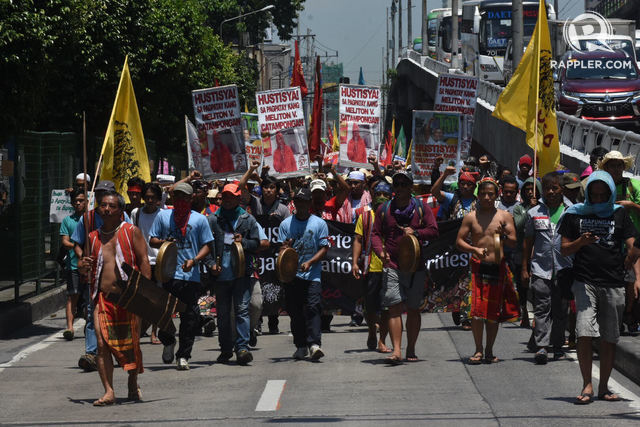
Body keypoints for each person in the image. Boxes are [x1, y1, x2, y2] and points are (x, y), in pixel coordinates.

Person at [559, 171, 640, 404]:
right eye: (593, 195)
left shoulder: (619, 214)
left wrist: (633, 267)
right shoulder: (573, 214)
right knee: (584, 332)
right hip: (585, 280)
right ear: (587, 194)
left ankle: (604, 386)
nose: (597, 199)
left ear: (609, 194)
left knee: (609, 337)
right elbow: (564, 249)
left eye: (602, 195)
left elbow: (632, 244)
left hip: (613, 282)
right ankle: (587, 384)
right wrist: (580, 242)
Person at [78, 191, 151, 406]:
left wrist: (144, 291)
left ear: (121, 210)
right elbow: (86, 270)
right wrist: (83, 267)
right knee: (102, 344)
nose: (107, 209)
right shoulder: (92, 237)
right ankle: (109, 391)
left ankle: (132, 380)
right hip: (102, 298)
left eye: (112, 206)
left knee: (131, 344)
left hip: (128, 297)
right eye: (103, 206)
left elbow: (143, 261)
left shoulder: (131, 232)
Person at [371, 171, 439, 364]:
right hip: (392, 264)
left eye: (403, 184)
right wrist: (380, 252)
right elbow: (375, 234)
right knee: (393, 307)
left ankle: (411, 348)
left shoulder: (420, 208)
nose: (400, 188)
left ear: (411, 187)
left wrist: (416, 232)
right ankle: (397, 350)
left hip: (415, 266)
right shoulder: (384, 209)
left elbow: (434, 230)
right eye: (397, 185)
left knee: (413, 308)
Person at [149, 182, 213, 371]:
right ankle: (168, 340)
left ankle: (183, 355)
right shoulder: (163, 216)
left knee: (190, 317)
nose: (180, 200)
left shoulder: (199, 220)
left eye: (184, 197)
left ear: (191, 198)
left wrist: (194, 260)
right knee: (163, 313)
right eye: (177, 197)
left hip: (190, 276)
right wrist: (163, 243)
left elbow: (208, 245)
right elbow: (152, 239)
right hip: (167, 273)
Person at [455, 177, 518, 364]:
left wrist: (503, 236)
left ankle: (489, 349)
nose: (487, 197)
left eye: (491, 194)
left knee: (492, 314)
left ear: (496, 195)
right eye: (483, 194)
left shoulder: (504, 216)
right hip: (477, 267)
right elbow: (459, 241)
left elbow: (514, 242)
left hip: (497, 266)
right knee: (476, 312)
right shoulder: (471, 217)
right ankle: (478, 350)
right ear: (478, 195)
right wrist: (474, 249)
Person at [72, 180, 132, 372]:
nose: (102, 201)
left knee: (118, 318)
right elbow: (77, 243)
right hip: (94, 278)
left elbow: (131, 241)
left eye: (105, 194)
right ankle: (92, 353)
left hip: (117, 278)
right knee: (92, 314)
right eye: (98, 195)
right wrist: (84, 259)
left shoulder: (125, 219)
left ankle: (118, 353)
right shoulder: (87, 218)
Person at [207, 183, 262, 365]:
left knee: (242, 310)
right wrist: (210, 264)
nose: (228, 200)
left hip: (241, 272)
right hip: (221, 275)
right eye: (225, 196)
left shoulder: (248, 219)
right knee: (222, 313)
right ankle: (225, 349)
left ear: (238, 198)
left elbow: (257, 244)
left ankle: (242, 348)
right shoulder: (213, 220)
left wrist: (244, 242)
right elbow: (206, 245)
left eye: (231, 197)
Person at [522, 172, 573, 364]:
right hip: (540, 269)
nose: (550, 192)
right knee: (542, 309)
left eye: (555, 188)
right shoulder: (534, 213)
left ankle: (558, 346)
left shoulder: (572, 211)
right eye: (547, 188)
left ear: (561, 189)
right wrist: (525, 268)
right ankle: (542, 346)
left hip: (565, 269)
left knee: (560, 311)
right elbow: (527, 242)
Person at [278, 187, 330, 360]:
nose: (301, 205)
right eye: (298, 201)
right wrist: (285, 247)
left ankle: (314, 344)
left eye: (304, 201)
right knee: (295, 312)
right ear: (295, 203)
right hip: (292, 277)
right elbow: (281, 251)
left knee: (313, 308)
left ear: (309, 203)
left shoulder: (319, 223)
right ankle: (300, 345)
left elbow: (324, 248)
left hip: (312, 275)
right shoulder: (286, 225)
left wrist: (310, 262)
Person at [599, 151, 640, 332]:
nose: (616, 169)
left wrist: (631, 205)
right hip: (609, 243)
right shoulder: (600, 187)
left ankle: (629, 313)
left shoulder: (634, 186)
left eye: (619, 165)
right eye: (612, 165)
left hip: (633, 243)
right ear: (606, 168)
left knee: (632, 282)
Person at [353, 181, 393, 353]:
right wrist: (355, 262)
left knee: (386, 306)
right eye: (378, 194)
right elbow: (358, 239)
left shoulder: (395, 215)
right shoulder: (365, 216)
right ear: (373, 195)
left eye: (385, 195)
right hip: (371, 267)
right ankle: (371, 331)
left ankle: (382, 340)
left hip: (390, 266)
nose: (381, 198)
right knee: (370, 306)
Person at [131, 182, 163, 344]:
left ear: (158, 199)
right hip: (141, 261)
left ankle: (154, 333)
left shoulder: (163, 215)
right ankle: (137, 331)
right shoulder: (136, 214)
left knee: (156, 300)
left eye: (153, 198)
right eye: (147, 197)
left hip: (159, 262)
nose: (149, 200)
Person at [512, 177, 542, 329]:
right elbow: (517, 225)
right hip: (521, 252)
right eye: (527, 189)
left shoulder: (543, 208)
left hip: (538, 253)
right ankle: (523, 310)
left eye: (533, 189)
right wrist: (530, 210)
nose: (530, 192)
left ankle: (538, 316)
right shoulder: (519, 208)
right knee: (522, 285)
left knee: (538, 287)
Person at [60, 187, 88, 340]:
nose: (78, 203)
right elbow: (65, 241)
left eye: (81, 201)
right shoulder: (67, 221)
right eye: (75, 201)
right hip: (73, 265)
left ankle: (88, 324)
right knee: (73, 295)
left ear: (86, 202)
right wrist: (79, 247)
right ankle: (70, 328)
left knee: (89, 297)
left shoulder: (91, 219)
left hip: (89, 265)